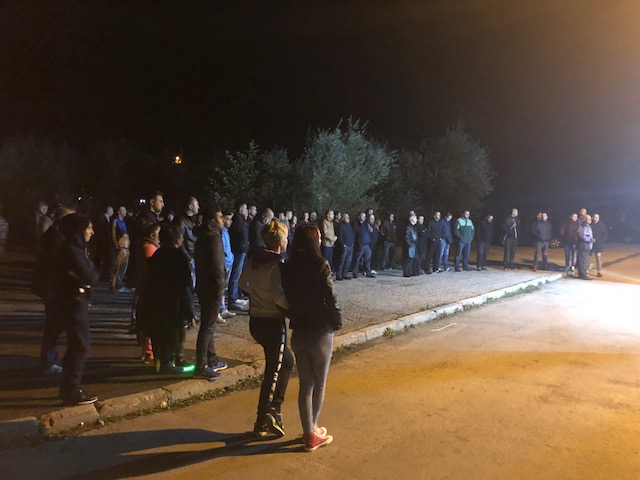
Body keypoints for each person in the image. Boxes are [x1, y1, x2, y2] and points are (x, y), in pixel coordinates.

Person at [282, 223, 341, 452]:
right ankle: (312, 431)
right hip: (320, 330)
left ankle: (308, 432)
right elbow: (330, 296)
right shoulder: (320, 264)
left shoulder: (288, 266)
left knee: (305, 385)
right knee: (320, 384)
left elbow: (285, 297)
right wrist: (337, 320)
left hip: (299, 330)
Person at [240, 220, 292, 437]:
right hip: (272, 322)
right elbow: (279, 297)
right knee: (274, 370)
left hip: (256, 320)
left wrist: (257, 295)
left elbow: (242, 283)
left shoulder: (255, 259)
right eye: (286, 237)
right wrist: (294, 311)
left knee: (286, 362)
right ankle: (265, 417)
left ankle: (271, 413)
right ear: (280, 241)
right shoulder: (276, 264)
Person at [49, 214, 100, 405]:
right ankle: (71, 391)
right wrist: (90, 272)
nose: (92, 232)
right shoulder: (72, 250)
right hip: (73, 302)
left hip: (71, 301)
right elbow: (91, 275)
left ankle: (68, 388)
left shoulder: (72, 249)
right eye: (89, 228)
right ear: (79, 230)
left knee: (76, 344)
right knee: (80, 344)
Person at [146, 225, 194, 373]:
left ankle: (159, 361)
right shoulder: (180, 258)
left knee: (159, 332)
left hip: (157, 299)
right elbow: (185, 286)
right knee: (173, 332)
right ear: (178, 240)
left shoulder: (157, 255)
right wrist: (190, 311)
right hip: (174, 302)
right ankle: (169, 363)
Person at [193, 209, 229, 378]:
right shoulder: (213, 238)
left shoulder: (203, 236)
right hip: (212, 288)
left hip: (204, 286)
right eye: (220, 217)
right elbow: (217, 266)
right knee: (207, 326)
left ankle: (212, 359)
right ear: (213, 221)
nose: (223, 220)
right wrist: (220, 287)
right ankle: (200, 366)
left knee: (209, 324)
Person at [133, 221, 160, 365]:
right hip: (149, 289)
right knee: (149, 320)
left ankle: (146, 351)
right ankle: (149, 352)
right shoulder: (149, 248)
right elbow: (152, 270)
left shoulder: (144, 246)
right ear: (152, 235)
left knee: (144, 319)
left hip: (144, 288)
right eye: (158, 234)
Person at [228, 203, 250, 311]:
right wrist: (242, 246)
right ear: (241, 209)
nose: (247, 211)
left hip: (241, 250)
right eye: (245, 209)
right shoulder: (238, 220)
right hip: (239, 251)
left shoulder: (241, 220)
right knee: (235, 276)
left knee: (238, 275)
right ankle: (232, 299)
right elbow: (238, 235)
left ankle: (236, 296)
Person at [110, 206, 131, 293]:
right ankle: (113, 285)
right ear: (119, 212)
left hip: (126, 246)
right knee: (117, 267)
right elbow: (113, 234)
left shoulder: (123, 222)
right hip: (120, 247)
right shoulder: (116, 221)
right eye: (123, 210)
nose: (125, 212)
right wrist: (116, 245)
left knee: (123, 267)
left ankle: (119, 284)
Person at [353, 212, 375, 278]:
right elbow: (355, 234)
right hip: (360, 244)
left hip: (367, 244)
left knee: (368, 259)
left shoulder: (366, 224)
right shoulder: (356, 224)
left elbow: (370, 231)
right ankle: (355, 273)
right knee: (357, 259)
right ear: (359, 217)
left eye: (365, 216)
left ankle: (368, 272)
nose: (364, 217)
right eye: (362, 216)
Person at [335, 213, 355, 280]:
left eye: (348, 217)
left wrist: (352, 243)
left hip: (350, 246)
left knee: (348, 261)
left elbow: (352, 234)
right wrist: (343, 244)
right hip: (345, 246)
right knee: (342, 261)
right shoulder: (341, 225)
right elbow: (339, 235)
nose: (348, 218)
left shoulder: (349, 225)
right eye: (346, 217)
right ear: (343, 218)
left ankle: (344, 274)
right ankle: (339, 274)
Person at [575, 214, 593, 280]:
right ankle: (583, 275)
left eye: (590, 218)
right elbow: (584, 237)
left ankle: (581, 274)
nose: (590, 220)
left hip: (583, 246)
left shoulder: (583, 226)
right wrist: (591, 240)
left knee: (581, 260)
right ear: (585, 219)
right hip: (584, 246)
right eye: (588, 219)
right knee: (584, 261)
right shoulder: (585, 226)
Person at [591, 213, 608, 278]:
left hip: (598, 245)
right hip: (590, 244)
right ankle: (586, 270)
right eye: (595, 217)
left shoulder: (602, 225)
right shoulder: (590, 224)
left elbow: (605, 235)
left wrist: (600, 241)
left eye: (597, 217)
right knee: (588, 257)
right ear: (593, 218)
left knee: (598, 258)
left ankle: (599, 271)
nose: (596, 219)